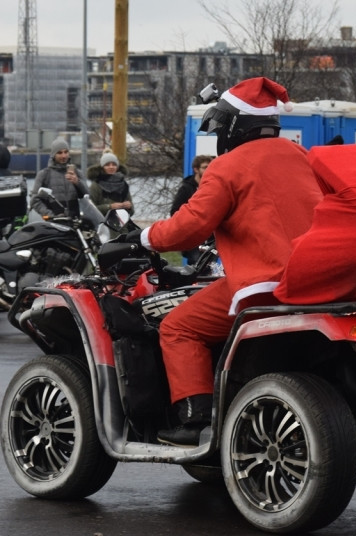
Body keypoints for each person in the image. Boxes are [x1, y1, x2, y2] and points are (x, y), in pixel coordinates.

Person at [127, 77, 323, 447]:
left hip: (266, 284)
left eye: (220, 125)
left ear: (235, 125)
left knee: (178, 328)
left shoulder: (227, 167)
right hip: (320, 279)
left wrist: (143, 236)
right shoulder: (302, 156)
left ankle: (194, 420)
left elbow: (188, 229)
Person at [29, 137, 88, 218]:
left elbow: (87, 196)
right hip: (55, 222)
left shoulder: (76, 173)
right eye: (59, 153)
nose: (63, 156)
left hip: (75, 221)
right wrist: (50, 215)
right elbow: (34, 201)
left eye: (66, 152)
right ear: (53, 155)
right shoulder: (44, 174)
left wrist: (77, 183)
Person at [169, 154, 212, 264]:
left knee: (209, 264)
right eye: (205, 167)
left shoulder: (211, 186)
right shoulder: (186, 188)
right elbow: (175, 211)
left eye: (210, 166)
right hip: (192, 234)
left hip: (210, 234)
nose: (208, 169)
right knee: (196, 262)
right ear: (196, 169)